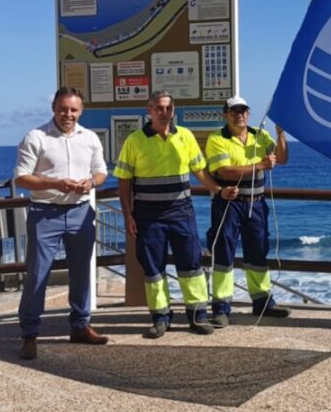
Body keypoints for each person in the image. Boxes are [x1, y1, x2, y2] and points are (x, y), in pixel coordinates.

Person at [114, 91, 238, 338]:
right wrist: (128, 215)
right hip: (148, 216)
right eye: (158, 108)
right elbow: (124, 183)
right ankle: (160, 318)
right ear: (149, 110)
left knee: (191, 264)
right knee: (153, 268)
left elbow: (200, 171)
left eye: (168, 108)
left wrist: (219, 190)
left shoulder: (186, 136)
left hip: (181, 212)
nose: (164, 113)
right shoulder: (134, 141)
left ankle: (197, 316)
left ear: (174, 111)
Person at [14, 87, 109, 360]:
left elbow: (101, 172)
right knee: (37, 275)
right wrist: (58, 183)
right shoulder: (36, 137)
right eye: (63, 108)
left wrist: (91, 183)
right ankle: (29, 334)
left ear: (81, 111)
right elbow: (21, 178)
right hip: (44, 213)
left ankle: (80, 326)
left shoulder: (90, 138)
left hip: (80, 212)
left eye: (73, 109)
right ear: (53, 108)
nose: (68, 114)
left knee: (82, 273)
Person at [204, 96, 290, 324]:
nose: (239, 114)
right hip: (229, 204)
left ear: (249, 114)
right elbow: (223, 171)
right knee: (223, 254)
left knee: (258, 252)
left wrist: (281, 133)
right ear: (225, 114)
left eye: (243, 110)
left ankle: (262, 302)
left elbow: (281, 158)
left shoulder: (260, 135)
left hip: (257, 203)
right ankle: (221, 308)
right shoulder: (216, 138)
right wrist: (259, 165)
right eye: (234, 111)